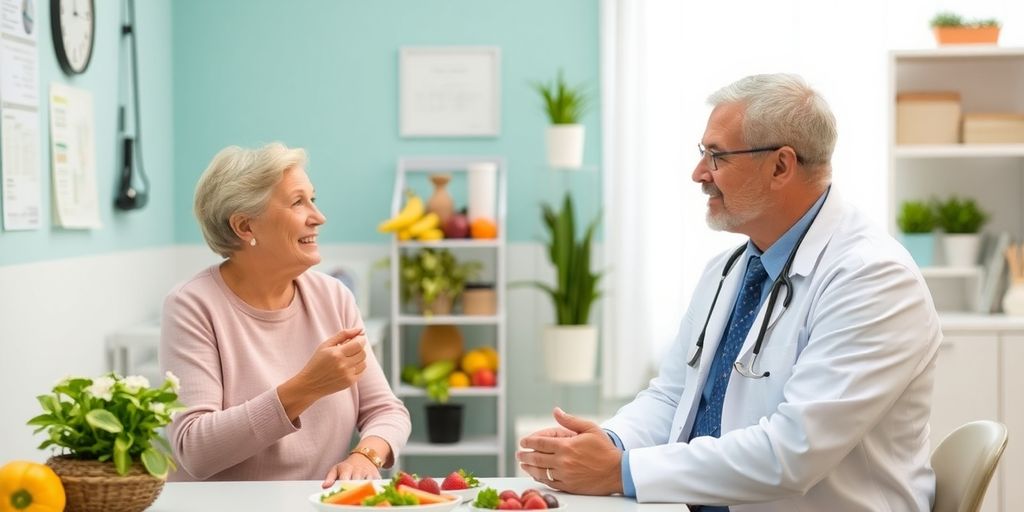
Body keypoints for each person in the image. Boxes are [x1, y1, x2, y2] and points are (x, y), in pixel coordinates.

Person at [518, 74, 942, 511]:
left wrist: (619, 471)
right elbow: (674, 396)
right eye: (702, 153)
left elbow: (793, 452)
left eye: (717, 156)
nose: (699, 173)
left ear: (780, 166)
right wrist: (608, 443)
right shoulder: (730, 269)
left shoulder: (873, 279)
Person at [161, 143, 411, 487]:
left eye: (313, 199)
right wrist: (306, 387)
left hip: (317, 503)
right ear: (245, 227)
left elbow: (386, 410)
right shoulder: (192, 305)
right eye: (297, 202)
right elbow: (195, 450)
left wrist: (365, 455)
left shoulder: (334, 297)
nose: (318, 217)